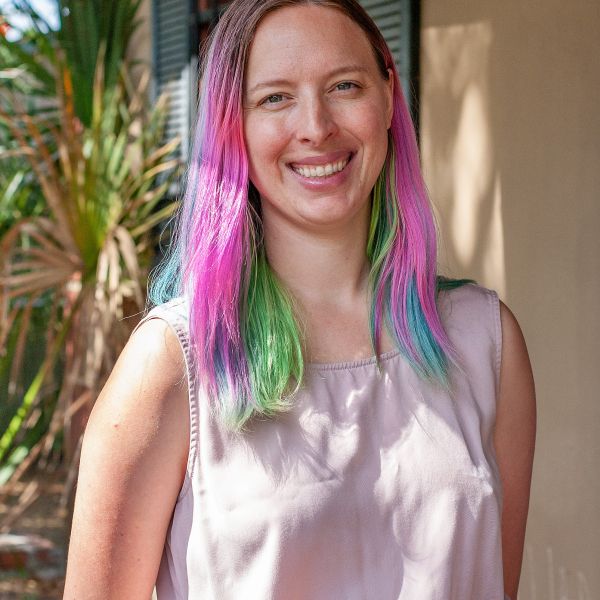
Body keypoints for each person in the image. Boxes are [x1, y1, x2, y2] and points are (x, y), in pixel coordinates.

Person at [63, 1, 536, 598]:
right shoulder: (173, 364)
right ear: (234, 126)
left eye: (344, 85)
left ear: (389, 98)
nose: (316, 126)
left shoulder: (485, 340)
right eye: (275, 98)